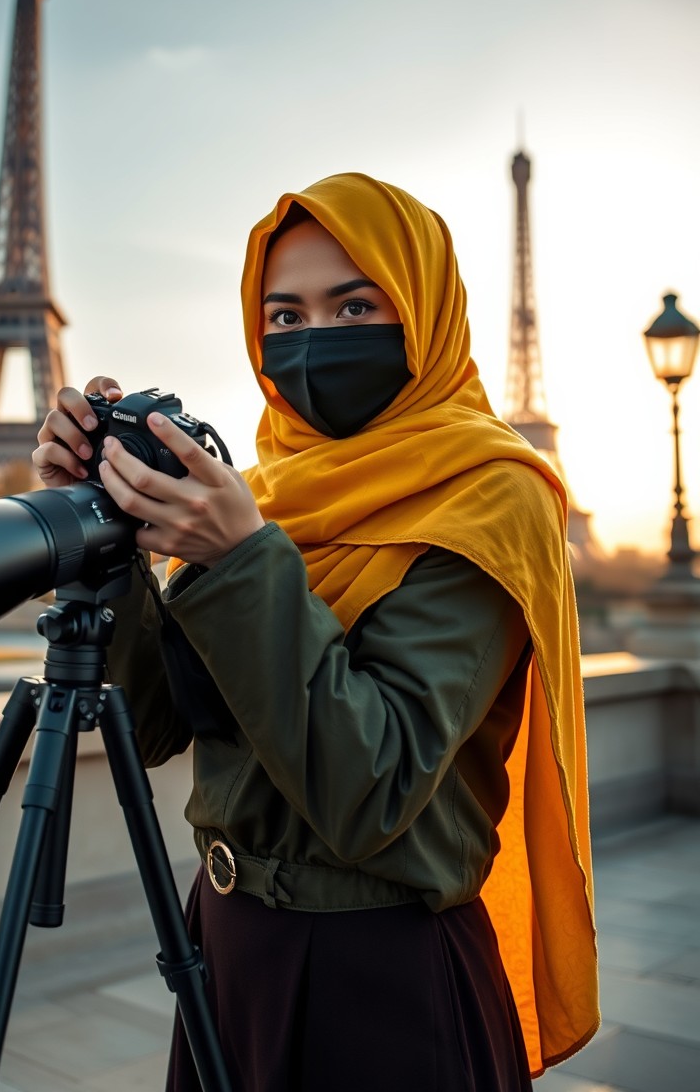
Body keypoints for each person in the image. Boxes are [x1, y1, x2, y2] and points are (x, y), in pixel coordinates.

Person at [33, 172, 599, 1090]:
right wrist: (107, 538)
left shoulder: (491, 499)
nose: (313, 339)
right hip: (221, 953)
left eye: (354, 304)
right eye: (284, 317)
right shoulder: (264, 496)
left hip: (380, 979)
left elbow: (367, 790)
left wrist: (242, 561)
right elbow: (161, 724)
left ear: (422, 312)